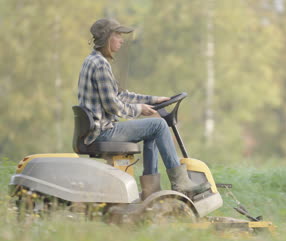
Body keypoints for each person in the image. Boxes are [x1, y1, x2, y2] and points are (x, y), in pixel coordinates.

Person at [77, 18, 210, 199]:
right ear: (107, 38)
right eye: (117, 35)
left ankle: (151, 192)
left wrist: (153, 100)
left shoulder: (93, 60)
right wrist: (140, 109)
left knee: (152, 129)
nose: (122, 40)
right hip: (103, 132)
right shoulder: (100, 65)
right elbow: (112, 105)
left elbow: (120, 95)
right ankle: (182, 184)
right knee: (158, 125)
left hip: (96, 129)